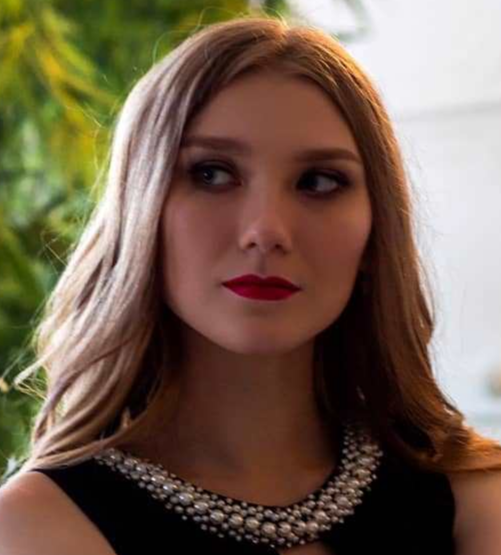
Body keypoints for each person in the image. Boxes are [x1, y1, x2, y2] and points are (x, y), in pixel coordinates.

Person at [0, 14, 501, 555]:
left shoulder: (474, 497)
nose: (266, 230)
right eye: (211, 173)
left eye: (318, 182)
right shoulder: (36, 526)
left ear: (376, 234)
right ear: (139, 210)